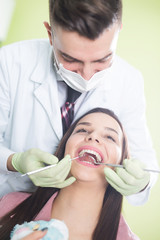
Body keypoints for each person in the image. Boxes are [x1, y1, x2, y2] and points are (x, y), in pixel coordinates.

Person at [0, 0, 158, 204]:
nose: (87, 76)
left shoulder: (129, 80)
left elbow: (144, 160)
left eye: (102, 60)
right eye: (71, 59)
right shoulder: (9, 63)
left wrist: (142, 182)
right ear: (50, 34)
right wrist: (15, 161)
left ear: (118, 31)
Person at [0, 108, 140, 240]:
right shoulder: (9, 204)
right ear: (64, 147)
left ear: (122, 164)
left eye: (110, 137)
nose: (93, 137)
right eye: (83, 130)